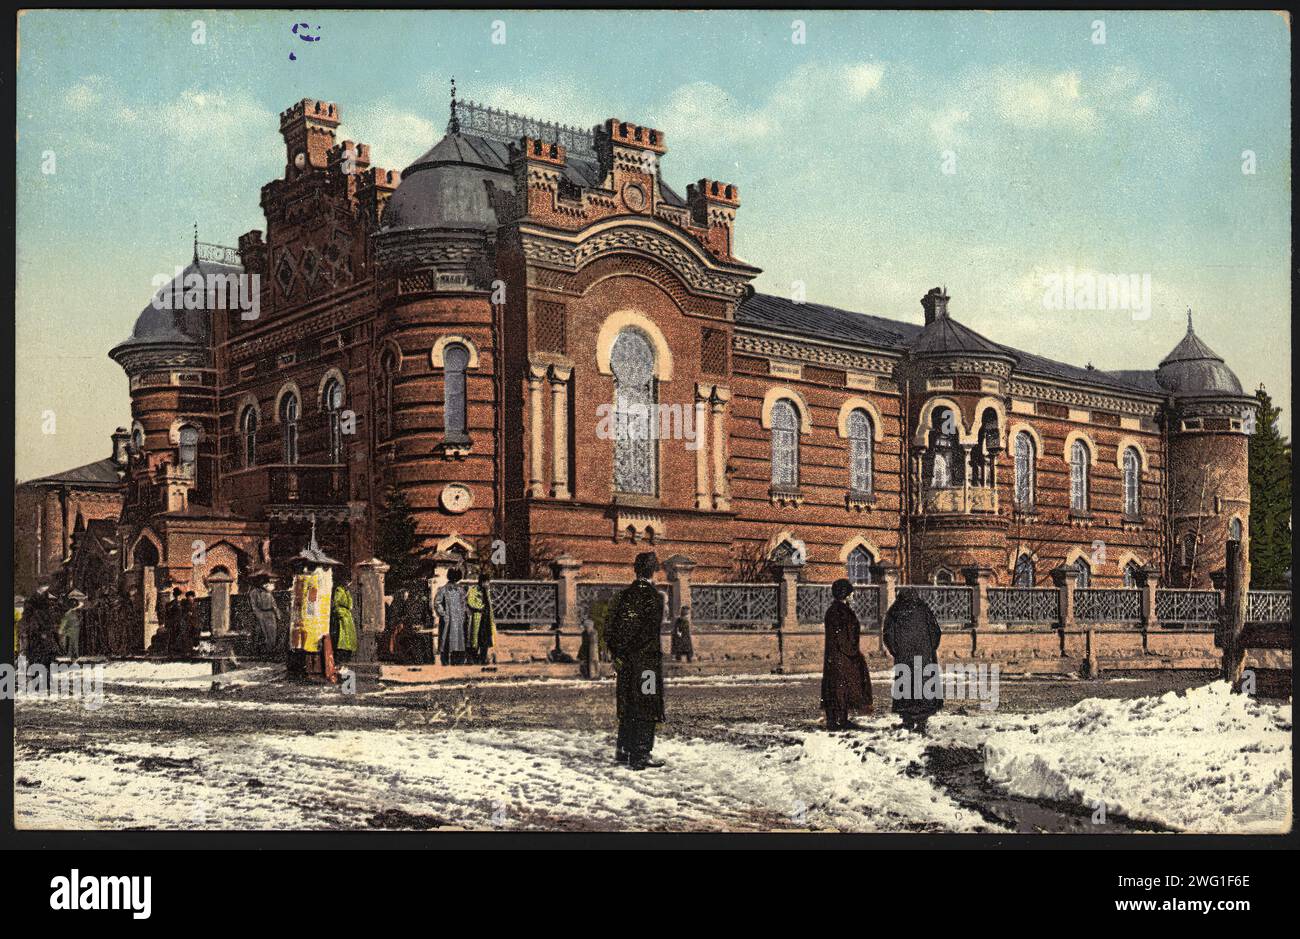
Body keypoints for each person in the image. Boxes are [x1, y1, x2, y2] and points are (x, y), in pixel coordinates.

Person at [605, 552, 666, 770]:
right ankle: (640, 753)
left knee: (628, 703)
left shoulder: (622, 596)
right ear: (654, 570)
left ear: (635, 569)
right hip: (646, 663)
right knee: (646, 704)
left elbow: (610, 627)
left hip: (626, 662)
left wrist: (619, 653)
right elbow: (648, 632)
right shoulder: (655, 598)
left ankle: (623, 750)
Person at [882, 587, 944, 731]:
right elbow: (936, 631)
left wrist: (895, 651)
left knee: (906, 687)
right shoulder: (923, 609)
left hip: (904, 657)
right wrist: (930, 649)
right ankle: (922, 721)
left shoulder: (895, 610)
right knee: (924, 687)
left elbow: (888, 634)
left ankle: (907, 721)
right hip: (924, 656)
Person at [820, 579, 872, 730]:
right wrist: (853, 652)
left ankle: (838, 719)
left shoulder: (835, 610)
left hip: (837, 655)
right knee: (840, 687)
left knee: (837, 687)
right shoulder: (840, 611)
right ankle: (838, 721)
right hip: (842, 655)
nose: (853, 596)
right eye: (851, 593)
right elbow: (843, 635)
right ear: (846, 594)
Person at [435, 568, 469, 665]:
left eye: (456, 580)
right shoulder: (443, 590)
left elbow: (464, 603)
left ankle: (457, 661)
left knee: (458, 641)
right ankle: (445, 661)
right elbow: (437, 603)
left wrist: (463, 615)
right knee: (446, 641)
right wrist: (443, 613)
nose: (454, 582)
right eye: (453, 580)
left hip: (458, 620)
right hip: (448, 620)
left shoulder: (460, 590)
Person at [247, 574, 282, 658]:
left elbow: (274, 604)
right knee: (262, 633)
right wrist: (259, 615)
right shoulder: (254, 592)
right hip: (261, 614)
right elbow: (254, 606)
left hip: (270, 613)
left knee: (272, 632)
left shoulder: (268, 592)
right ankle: (261, 652)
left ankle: (271, 651)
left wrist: (278, 614)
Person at [465, 572, 496, 665]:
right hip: (478, 617)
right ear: (482, 582)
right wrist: (480, 606)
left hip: (486, 618)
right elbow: (470, 601)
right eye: (486, 582)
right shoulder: (474, 589)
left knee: (485, 640)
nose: (488, 584)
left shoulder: (487, 591)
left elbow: (489, 605)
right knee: (476, 639)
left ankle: (483, 659)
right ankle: (473, 659)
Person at [331, 580, 357, 665]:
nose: (348, 585)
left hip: (347, 616)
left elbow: (350, 605)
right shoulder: (339, 590)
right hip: (341, 616)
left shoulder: (347, 592)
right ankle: (340, 657)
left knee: (349, 637)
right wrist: (340, 613)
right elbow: (336, 603)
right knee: (341, 637)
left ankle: (346, 656)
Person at [59, 590, 86, 661]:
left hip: (74, 629)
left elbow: (64, 622)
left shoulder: (75, 613)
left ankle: (74, 656)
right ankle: (74, 656)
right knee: (73, 643)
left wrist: (61, 630)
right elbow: (64, 622)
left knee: (73, 643)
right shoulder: (69, 613)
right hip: (72, 630)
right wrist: (61, 630)